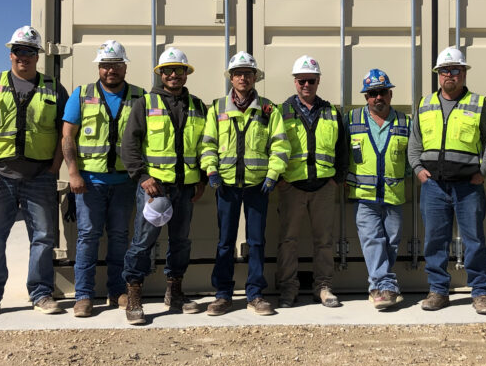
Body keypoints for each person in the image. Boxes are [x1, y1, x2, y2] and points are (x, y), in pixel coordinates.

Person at [0, 26, 69, 319]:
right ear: (10, 54)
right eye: (19, 51)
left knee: (43, 237)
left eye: (30, 51)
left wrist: (53, 167)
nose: (24, 57)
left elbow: (65, 131)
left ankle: (41, 293)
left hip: (39, 176)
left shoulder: (53, 87)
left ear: (38, 56)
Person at [119, 47, 206, 325]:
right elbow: (129, 144)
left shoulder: (198, 106)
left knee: (181, 242)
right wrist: (142, 177)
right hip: (153, 189)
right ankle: (133, 296)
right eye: (167, 70)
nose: (173, 75)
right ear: (160, 74)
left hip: (186, 188)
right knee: (143, 242)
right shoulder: (144, 104)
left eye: (178, 70)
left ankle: (175, 292)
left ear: (185, 74)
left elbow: (206, 146)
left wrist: (202, 179)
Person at [408, 46, 486, 314]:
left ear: (464, 73)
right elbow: (415, 142)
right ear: (438, 75)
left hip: (468, 185)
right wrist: (417, 169)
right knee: (435, 240)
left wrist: (484, 171)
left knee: (474, 240)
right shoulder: (425, 104)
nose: (450, 75)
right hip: (433, 185)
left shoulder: (479, 103)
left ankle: (480, 292)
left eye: (455, 70)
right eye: (445, 71)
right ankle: (438, 290)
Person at [61, 40, 146, 318]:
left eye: (116, 65)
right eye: (106, 65)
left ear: (125, 66)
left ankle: (116, 291)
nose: (111, 70)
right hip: (89, 182)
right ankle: (84, 296)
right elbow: (67, 136)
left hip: (125, 182)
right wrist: (73, 173)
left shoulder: (139, 97)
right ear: (99, 67)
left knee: (120, 238)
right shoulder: (82, 94)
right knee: (87, 237)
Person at [200, 52, 289, 317]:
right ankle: (223, 295)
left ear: (254, 78)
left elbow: (280, 145)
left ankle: (256, 294)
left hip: (257, 186)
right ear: (231, 77)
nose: (243, 78)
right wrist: (212, 171)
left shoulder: (268, 109)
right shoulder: (217, 108)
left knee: (257, 241)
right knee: (225, 242)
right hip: (225, 185)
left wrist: (273, 175)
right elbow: (208, 144)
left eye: (248, 74)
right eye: (238, 73)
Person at [276, 55, 349, 308]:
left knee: (324, 241)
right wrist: (279, 180)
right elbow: (270, 146)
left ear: (318, 82)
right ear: (295, 82)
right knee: (288, 241)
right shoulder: (281, 111)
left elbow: (343, 149)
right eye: (301, 80)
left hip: (323, 187)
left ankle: (324, 287)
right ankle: (288, 288)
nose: (306, 85)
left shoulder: (331, 112)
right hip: (292, 187)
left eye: (311, 80)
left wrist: (336, 180)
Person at [346, 68, 409, 310]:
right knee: (372, 240)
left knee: (391, 243)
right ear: (366, 97)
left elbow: (413, 154)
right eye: (372, 94)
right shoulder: (351, 120)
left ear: (390, 94)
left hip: (394, 194)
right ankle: (385, 287)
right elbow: (342, 152)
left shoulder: (405, 121)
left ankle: (378, 286)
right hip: (364, 196)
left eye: (382, 92)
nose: (378, 98)